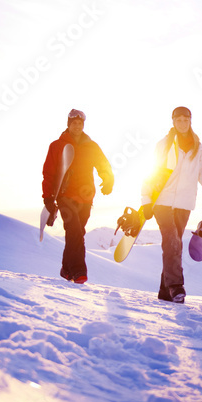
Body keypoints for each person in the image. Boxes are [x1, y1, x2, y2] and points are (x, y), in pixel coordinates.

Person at [141, 106, 202, 303]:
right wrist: (146, 200)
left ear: (190, 121)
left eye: (186, 120)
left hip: (184, 204)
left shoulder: (198, 149)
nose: (182, 123)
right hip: (162, 201)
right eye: (178, 120)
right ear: (173, 122)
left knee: (174, 245)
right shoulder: (164, 145)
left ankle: (165, 291)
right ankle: (177, 286)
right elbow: (151, 173)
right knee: (172, 241)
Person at [42, 108, 114, 284]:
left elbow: (103, 165)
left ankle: (66, 269)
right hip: (65, 196)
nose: (77, 126)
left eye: (80, 123)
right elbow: (49, 173)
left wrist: (108, 180)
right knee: (74, 231)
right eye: (74, 123)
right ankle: (79, 272)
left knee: (76, 233)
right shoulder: (57, 146)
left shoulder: (91, 146)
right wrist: (48, 198)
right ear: (68, 125)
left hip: (86, 197)